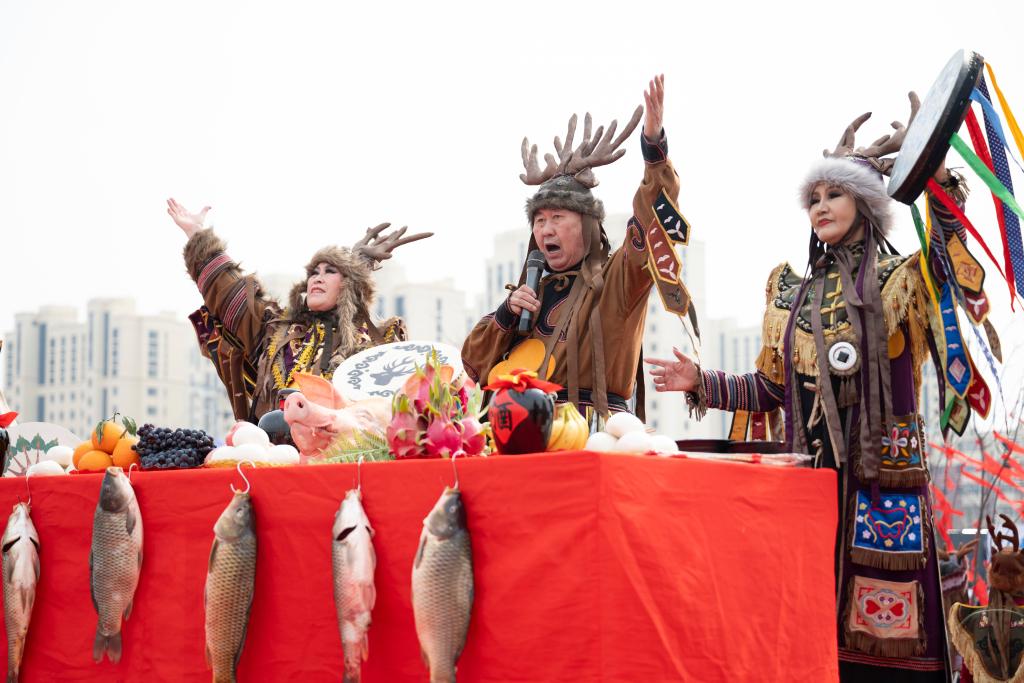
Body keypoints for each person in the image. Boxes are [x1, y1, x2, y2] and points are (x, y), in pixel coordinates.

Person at [646, 95, 975, 680]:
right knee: (810, 632)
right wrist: (703, 381)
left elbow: (952, 267)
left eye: (835, 194)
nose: (820, 206)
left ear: (866, 204)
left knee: (890, 640)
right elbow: (772, 388)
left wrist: (938, 173)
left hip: (882, 484)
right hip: (812, 485)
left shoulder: (901, 278)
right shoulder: (793, 295)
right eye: (814, 197)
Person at [462, 75, 684, 419]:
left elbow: (651, 221)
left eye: (557, 217)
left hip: (595, 429)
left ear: (587, 225)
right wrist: (507, 313)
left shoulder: (616, 281)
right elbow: (473, 362)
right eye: (539, 220)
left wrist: (654, 149)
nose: (545, 229)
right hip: (523, 429)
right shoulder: (527, 297)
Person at [168, 199, 430, 422]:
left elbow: (390, 407)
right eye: (314, 272)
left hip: (340, 456)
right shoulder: (277, 331)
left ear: (349, 285)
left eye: (329, 271)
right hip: (275, 455)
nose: (317, 278)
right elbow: (231, 295)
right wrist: (197, 234)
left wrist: (356, 267)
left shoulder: (375, 343)